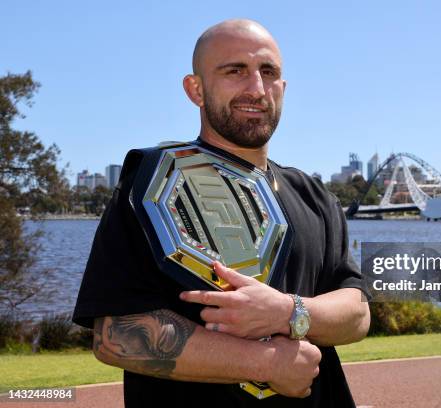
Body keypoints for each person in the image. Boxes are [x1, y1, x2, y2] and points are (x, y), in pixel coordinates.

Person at [72, 19, 370, 407]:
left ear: (283, 87)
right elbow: (115, 335)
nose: (256, 88)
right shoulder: (151, 183)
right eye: (235, 71)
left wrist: (288, 312)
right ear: (195, 89)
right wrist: (263, 363)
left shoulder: (315, 195)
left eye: (269, 72)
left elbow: (358, 312)